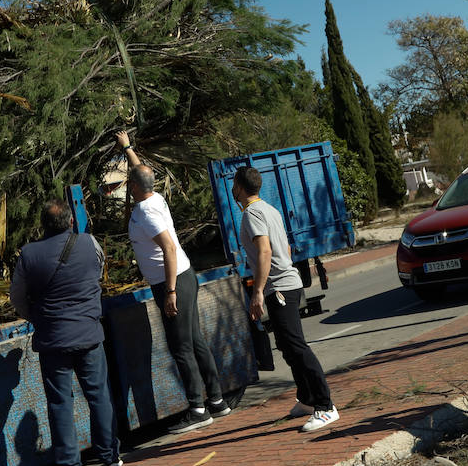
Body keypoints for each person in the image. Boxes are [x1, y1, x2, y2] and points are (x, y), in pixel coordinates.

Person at [115, 130, 230, 433]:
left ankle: (198, 408)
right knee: (195, 340)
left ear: (133, 187)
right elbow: (141, 174)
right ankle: (217, 400)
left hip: (173, 280)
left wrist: (170, 291)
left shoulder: (144, 213)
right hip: (184, 274)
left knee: (181, 347)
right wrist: (127, 148)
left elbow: (167, 248)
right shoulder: (155, 198)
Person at [9, 200, 122, 466]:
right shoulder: (89, 243)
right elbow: (97, 271)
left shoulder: (29, 255)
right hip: (88, 334)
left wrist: (35, 316)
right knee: (98, 395)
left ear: (43, 226)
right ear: (71, 222)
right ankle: (110, 456)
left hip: (52, 339)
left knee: (60, 402)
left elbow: (17, 299)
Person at [232, 165, 338, 432]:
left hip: (279, 287)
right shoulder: (270, 209)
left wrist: (257, 291)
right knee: (287, 346)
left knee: (296, 346)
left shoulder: (251, 213)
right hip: (283, 285)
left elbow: (265, 251)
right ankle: (307, 400)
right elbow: (285, 248)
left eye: (234, 186)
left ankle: (326, 406)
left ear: (240, 188)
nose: (232, 190)